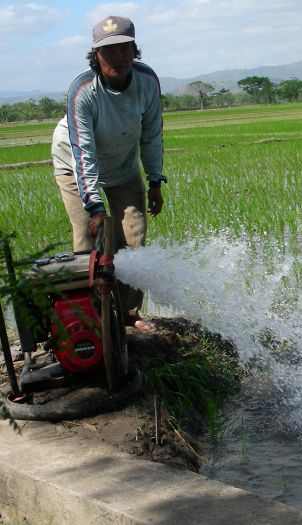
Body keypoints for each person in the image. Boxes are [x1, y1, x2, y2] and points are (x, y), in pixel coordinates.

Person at [51, 15, 165, 332]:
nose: (118, 57)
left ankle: (129, 313)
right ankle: (89, 321)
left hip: (122, 163)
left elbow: (152, 134)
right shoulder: (83, 91)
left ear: (134, 50)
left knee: (134, 239)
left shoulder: (147, 82)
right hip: (74, 162)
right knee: (87, 242)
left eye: (124, 49)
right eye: (109, 51)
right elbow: (82, 152)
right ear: (96, 55)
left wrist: (155, 181)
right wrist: (95, 208)